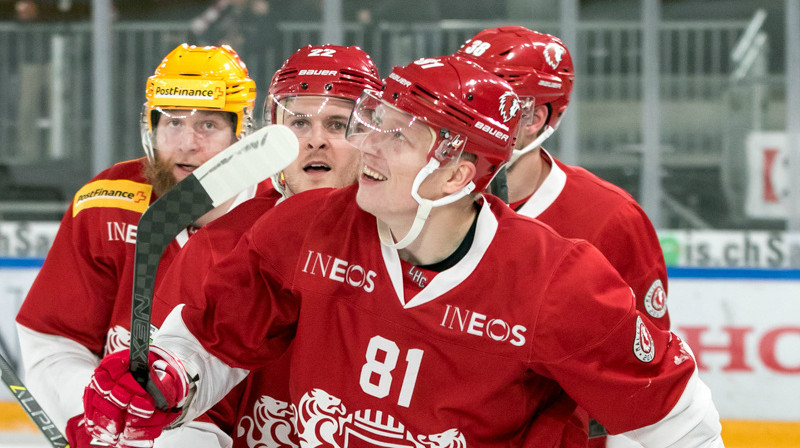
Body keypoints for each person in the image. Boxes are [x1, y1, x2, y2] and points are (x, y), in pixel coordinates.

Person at [79, 56, 723, 448]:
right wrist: (169, 377)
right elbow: (217, 339)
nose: (368, 146)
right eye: (374, 125)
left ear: (457, 175)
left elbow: (677, 424)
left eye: (397, 135)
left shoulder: (559, 284)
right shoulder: (307, 225)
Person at [15, 43, 259, 447]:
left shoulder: (280, 215)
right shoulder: (106, 201)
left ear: (241, 132)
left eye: (208, 126)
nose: (187, 143)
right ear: (151, 128)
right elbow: (55, 341)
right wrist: (92, 413)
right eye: (173, 123)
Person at [148, 44, 382, 448]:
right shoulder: (219, 246)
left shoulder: (412, 246)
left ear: (371, 136)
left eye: (337, 124)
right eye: (300, 124)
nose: (316, 142)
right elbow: (188, 419)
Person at [455, 26, 671, 447]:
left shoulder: (610, 218)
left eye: (492, 100)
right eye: (465, 96)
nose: (469, 114)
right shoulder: (416, 199)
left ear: (535, 119)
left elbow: (646, 367)